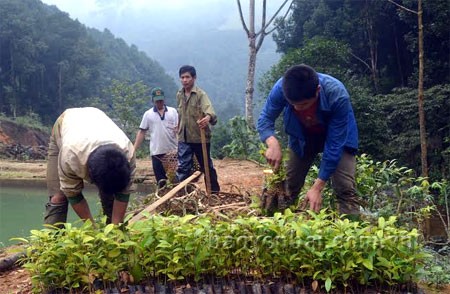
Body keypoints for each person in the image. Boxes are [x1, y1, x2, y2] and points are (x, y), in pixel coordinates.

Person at [257, 64, 359, 216]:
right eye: (293, 104)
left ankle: (351, 230)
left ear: (317, 90)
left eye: (304, 104)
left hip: (339, 137)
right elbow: (265, 118)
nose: (298, 109)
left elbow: (334, 146)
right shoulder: (282, 88)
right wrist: (272, 143)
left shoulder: (337, 95)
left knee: (345, 188)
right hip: (302, 137)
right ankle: (278, 225)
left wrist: (317, 188)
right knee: (288, 187)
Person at [44, 107, 135, 226]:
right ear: (90, 173)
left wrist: (115, 229)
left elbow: (123, 192)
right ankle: (52, 241)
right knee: (58, 197)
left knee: (111, 193)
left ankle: (112, 230)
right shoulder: (70, 155)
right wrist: (92, 229)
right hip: (65, 125)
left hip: (95, 117)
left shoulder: (128, 152)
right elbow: (73, 194)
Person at [175, 65, 220, 192]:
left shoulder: (200, 94)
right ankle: (181, 195)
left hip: (200, 138)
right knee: (183, 168)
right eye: (182, 77)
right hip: (184, 138)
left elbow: (210, 111)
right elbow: (181, 114)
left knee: (206, 167)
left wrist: (208, 118)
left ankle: (214, 193)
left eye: (187, 77)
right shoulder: (179, 95)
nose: (185, 80)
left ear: (194, 78)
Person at [134, 87, 178, 187]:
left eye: (161, 100)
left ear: (164, 99)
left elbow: (179, 127)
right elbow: (142, 132)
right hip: (157, 153)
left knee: (175, 180)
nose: (159, 102)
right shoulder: (148, 114)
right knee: (161, 182)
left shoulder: (173, 112)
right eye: (157, 100)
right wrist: (134, 149)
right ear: (153, 100)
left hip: (173, 153)